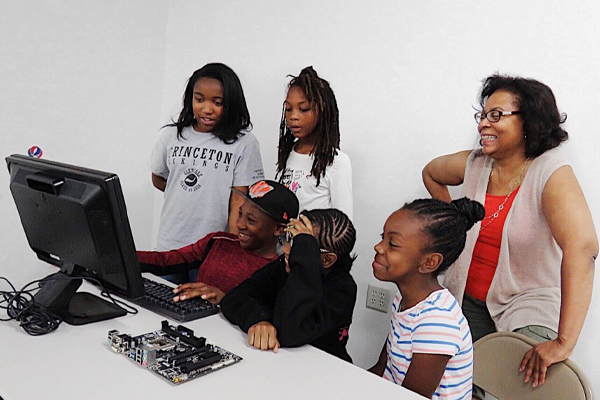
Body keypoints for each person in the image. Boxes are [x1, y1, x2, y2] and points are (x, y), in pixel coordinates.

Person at [422, 74, 598, 390]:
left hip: (527, 307)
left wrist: (564, 342)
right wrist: (453, 223)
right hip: (465, 301)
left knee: (519, 385)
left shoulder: (550, 172)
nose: (483, 125)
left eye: (496, 115)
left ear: (528, 121)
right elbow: (432, 172)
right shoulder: (476, 163)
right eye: (482, 115)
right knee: (456, 387)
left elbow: (583, 247)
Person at [150, 63, 265, 283]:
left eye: (217, 102)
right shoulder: (171, 135)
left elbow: (239, 204)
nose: (206, 108)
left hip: (210, 252)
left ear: (231, 103)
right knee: (160, 307)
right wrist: (190, 193)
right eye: (199, 99)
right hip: (169, 246)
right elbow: (158, 178)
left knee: (201, 314)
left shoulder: (244, 143)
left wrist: (231, 254)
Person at [369, 198, 483, 400]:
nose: (379, 247)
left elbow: (411, 397)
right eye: (382, 237)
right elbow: (382, 368)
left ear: (429, 262)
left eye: (392, 244)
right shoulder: (404, 299)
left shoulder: (437, 322)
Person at [220, 209, 357, 362]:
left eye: (300, 246)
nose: (285, 249)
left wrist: (304, 261)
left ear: (327, 260)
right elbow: (235, 296)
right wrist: (260, 319)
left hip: (323, 370)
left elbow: (290, 331)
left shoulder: (343, 289)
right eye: (290, 239)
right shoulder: (283, 267)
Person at [137, 180, 298, 305]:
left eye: (251, 220)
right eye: (240, 214)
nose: (239, 224)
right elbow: (167, 260)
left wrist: (225, 300)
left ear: (278, 229)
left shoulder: (280, 271)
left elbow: (268, 314)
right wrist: (121, 254)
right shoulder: (218, 242)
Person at [276, 66, 353, 220]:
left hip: (314, 244)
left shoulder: (337, 162)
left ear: (323, 110)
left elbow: (343, 226)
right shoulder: (289, 153)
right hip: (284, 244)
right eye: (289, 109)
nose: (293, 116)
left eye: (303, 109)